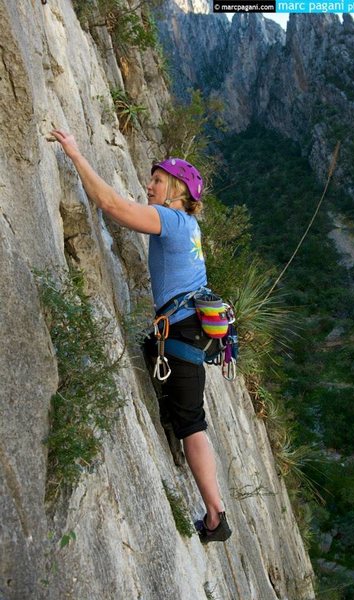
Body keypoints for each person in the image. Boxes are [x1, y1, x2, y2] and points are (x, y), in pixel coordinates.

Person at [50, 129, 232, 543]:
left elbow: (112, 205)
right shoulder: (187, 225)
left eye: (157, 181)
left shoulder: (170, 218)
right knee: (180, 408)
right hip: (184, 331)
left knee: (192, 424)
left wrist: (76, 155)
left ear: (178, 191)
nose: (148, 186)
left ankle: (216, 516)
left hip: (182, 331)